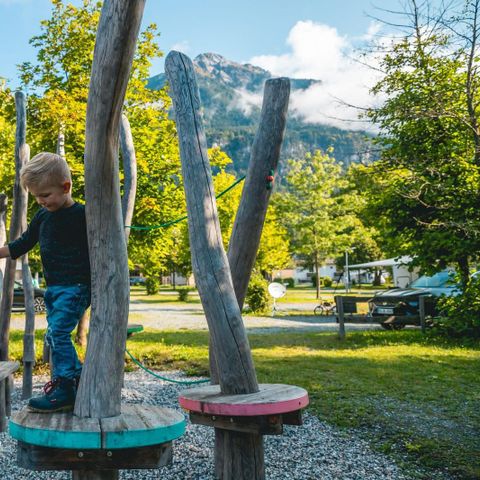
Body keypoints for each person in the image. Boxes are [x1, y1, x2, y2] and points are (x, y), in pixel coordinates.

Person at [0, 152, 90, 413]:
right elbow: (23, 243)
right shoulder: (42, 216)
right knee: (54, 334)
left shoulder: (83, 214)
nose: (41, 201)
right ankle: (74, 376)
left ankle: (67, 384)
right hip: (55, 288)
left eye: (46, 195)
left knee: (58, 333)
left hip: (77, 287)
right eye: (37, 196)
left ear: (66, 187)